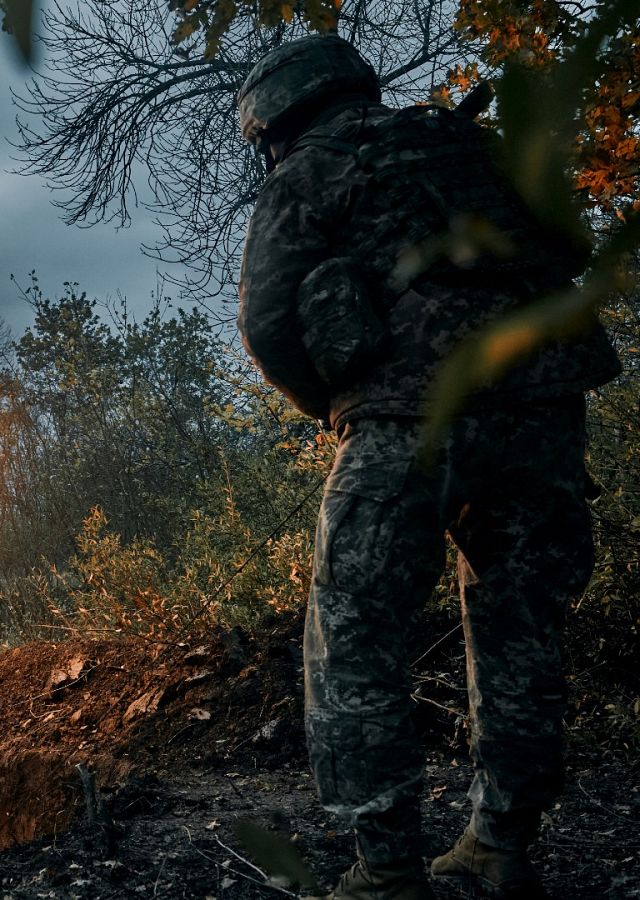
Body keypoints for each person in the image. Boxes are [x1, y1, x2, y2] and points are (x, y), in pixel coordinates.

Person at [234, 33, 622, 900]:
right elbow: (569, 243)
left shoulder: (311, 171)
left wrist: (338, 401)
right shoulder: (478, 147)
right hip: (542, 412)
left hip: (408, 423)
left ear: (274, 120)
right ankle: (501, 846)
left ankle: (387, 870)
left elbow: (265, 320)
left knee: (356, 635)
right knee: (523, 627)